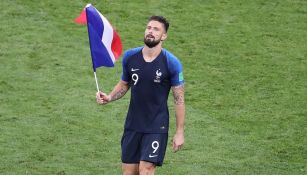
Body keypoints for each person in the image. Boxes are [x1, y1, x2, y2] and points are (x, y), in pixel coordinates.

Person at [96, 15, 185, 175]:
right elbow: (125, 84)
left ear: (164, 36)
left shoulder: (171, 63)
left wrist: (179, 132)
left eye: (156, 29)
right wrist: (109, 97)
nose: (151, 31)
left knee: (146, 170)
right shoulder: (131, 57)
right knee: (129, 173)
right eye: (149, 28)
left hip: (156, 126)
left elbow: (179, 100)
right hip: (133, 125)